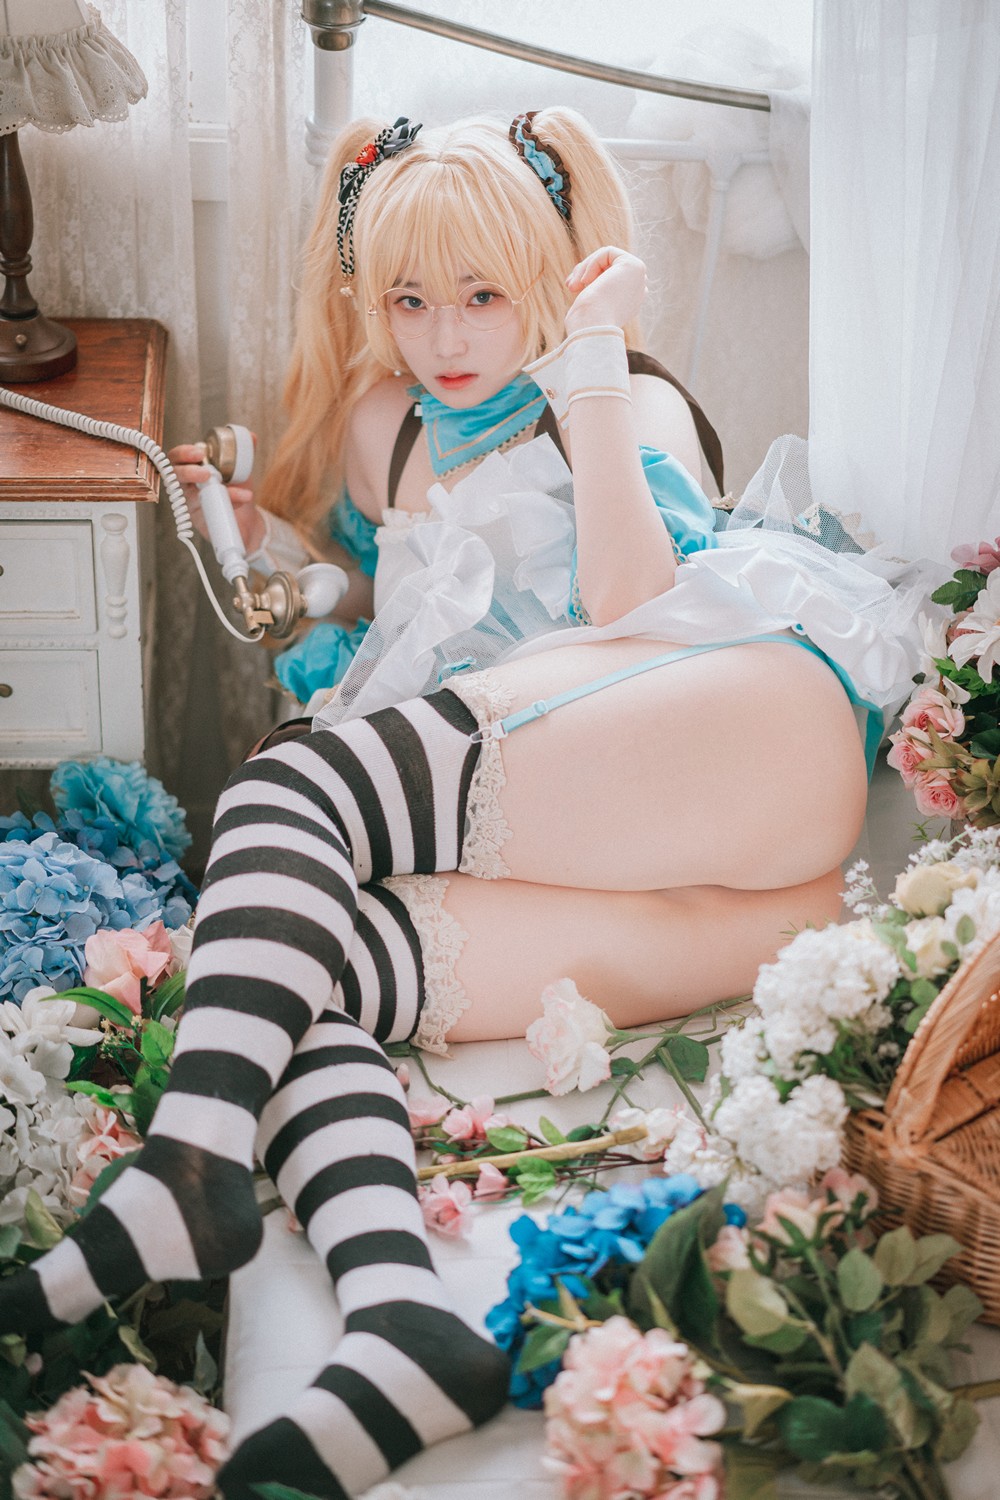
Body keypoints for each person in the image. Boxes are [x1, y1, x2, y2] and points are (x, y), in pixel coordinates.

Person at [1, 109, 921, 1500]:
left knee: (288, 781)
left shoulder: (621, 400)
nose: (445, 336)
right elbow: (407, 590)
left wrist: (595, 357)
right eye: (410, 301)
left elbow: (630, 600)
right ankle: (402, 1328)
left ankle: (186, 1170)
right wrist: (282, 554)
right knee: (303, 970)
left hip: (742, 751)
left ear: (550, 276)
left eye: (485, 295)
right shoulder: (389, 427)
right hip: (684, 896)